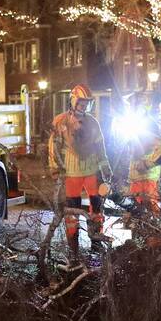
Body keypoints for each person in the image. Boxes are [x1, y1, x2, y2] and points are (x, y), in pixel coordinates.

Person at [49, 84, 112, 260]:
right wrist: (55, 168)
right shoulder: (61, 122)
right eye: (81, 102)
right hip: (71, 173)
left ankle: (96, 243)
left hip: (91, 171)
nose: (84, 106)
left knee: (97, 208)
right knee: (72, 211)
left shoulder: (93, 123)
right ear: (74, 101)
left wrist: (105, 165)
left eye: (87, 103)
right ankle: (73, 249)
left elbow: (100, 146)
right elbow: (53, 148)